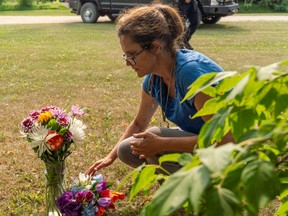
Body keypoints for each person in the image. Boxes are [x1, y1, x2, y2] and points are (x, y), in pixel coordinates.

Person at [86, 3, 233, 176]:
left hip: (232, 151)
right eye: (126, 56)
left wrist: (162, 143)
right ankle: (179, 189)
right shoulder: (154, 78)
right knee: (126, 149)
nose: (128, 63)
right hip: (201, 142)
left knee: (153, 138)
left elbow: (227, 140)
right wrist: (110, 157)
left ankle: (192, 195)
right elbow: (139, 123)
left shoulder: (190, 74)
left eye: (132, 55)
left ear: (155, 47)